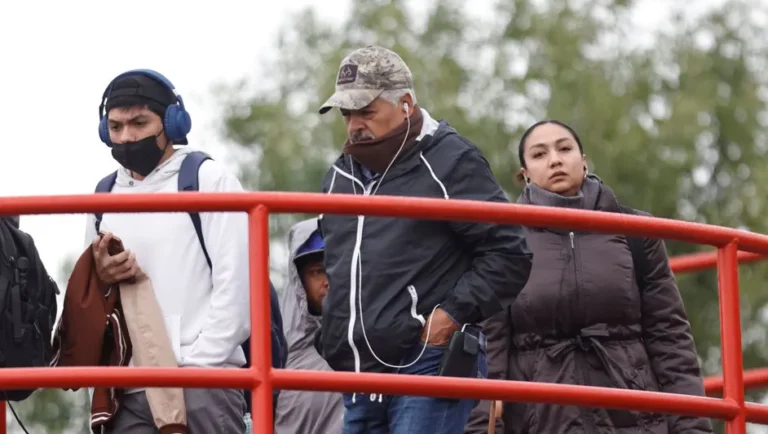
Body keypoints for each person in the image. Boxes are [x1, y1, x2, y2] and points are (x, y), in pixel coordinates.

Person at [315, 45, 534, 434]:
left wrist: (449, 317)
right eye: (347, 114)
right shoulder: (339, 175)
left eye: (366, 112)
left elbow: (509, 252)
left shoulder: (450, 158)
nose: (354, 125)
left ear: (405, 105)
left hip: (427, 359)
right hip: (358, 374)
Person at [468, 120, 713, 433]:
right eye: (539, 154)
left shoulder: (636, 230)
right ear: (525, 173)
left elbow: (669, 335)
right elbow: (489, 346)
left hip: (633, 414)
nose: (555, 159)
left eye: (565, 148)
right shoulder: (505, 239)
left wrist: (692, 426)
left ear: (583, 161)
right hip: (542, 419)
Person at [86, 69, 251, 433]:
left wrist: (197, 369)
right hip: (127, 391)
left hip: (204, 385)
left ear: (173, 122)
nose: (127, 137)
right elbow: (88, 302)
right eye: (115, 127)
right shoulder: (102, 197)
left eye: (139, 122)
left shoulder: (208, 179)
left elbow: (238, 288)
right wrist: (100, 279)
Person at [274, 218, 344, 434]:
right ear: (299, 280)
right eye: (316, 271)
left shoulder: (373, 340)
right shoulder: (278, 345)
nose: (327, 280)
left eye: (333, 268)